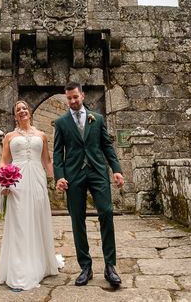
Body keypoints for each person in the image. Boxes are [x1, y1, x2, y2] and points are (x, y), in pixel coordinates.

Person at [53, 82, 125, 288]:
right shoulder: (61, 123)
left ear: (82, 95)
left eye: (75, 97)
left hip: (97, 172)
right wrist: (59, 176)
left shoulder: (98, 119)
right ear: (66, 99)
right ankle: (85, 267)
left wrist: (116, 170)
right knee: (77, 220)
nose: (73, 101)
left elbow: (107, 146)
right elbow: (58, 154)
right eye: (69, 98)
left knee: (106, 213)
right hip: (74, 175)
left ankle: (110, 266)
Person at [0, 100, 59, 291]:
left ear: (29, 112)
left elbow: (47, 161)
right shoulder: (9, 136)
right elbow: (4, 161)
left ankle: (40, 262)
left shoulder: (42, 135)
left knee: (37, 218)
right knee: (20, 221)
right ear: (15, 116)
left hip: (38, 180)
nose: (22, 111)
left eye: (24, 108)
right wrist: (4, 182)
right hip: (17, 181)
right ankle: (20, 269)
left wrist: (55, 181)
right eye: (18, 110)